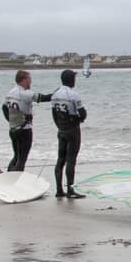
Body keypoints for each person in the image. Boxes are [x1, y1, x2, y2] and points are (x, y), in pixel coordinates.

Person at [2, 70, 51, 173]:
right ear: (24, 80)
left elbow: (4, 107)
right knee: (22, 159)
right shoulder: (26, 93)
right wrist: (57, 93)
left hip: (13, 130)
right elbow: (44, 98)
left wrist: (11, 121)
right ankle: (16, 181)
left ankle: (7, 178)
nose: (30, 82)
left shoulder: (10, 92)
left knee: (16, 156)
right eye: (29, 79)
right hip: (24, 131)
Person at [49, 69, 87, 198]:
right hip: (73, 130)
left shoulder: (55, 95)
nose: (75, 81)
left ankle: (59, 190)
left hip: (61, 129)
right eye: (74, 79)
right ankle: (70, 189)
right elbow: (82, 113)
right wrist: (80, 119)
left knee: (60, 159)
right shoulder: (74, 95)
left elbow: (54, 114)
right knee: (71, 160)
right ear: (71, 80)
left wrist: (59, 126)